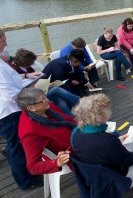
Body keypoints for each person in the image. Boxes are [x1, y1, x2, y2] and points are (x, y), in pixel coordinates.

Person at [71, 94, 133, 195]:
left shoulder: (76, 133)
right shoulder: (107, 141)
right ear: (97, 116)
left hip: (95, 175)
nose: (109, 113)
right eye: (106, 111)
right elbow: (128, 160)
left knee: (132, 142)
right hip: (113, 179)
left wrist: (117, 141)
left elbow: (94, 150)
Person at [0, 29, 41, 190]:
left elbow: (12, 82)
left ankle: (27, 173)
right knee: (17, 145)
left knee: (18, 144)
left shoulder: (2, 61)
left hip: (11, 108)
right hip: (9, 112)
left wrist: (25, 81)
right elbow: (9, 93)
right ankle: (25, 181)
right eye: (3, 40)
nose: (6, 43)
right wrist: (31, 97)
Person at [17, 88, 75, 175]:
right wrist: (57, 162)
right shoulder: (30, 132)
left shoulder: (46, 107)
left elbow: (69, 121)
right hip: (74, 155)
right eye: (42, 100)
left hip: (79, 137)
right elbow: (33, 167)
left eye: (45, 97)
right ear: (31, 108)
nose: (47, 100)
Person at [9, 49, 79, 116]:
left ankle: (69, 116)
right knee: (56, 89)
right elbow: (17, 87)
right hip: (28, 96)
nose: (31, 65)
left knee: (56, 96)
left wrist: (45, 84)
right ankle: (78, 101)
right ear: (25, 63)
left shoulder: (27, 67)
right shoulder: (12, 70)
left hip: (36, 89)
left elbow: (33, 80)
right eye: (30, 63)